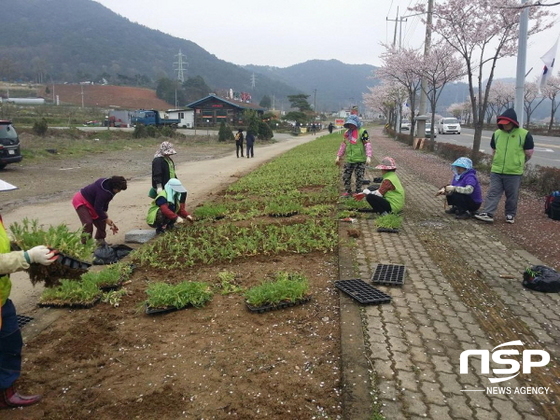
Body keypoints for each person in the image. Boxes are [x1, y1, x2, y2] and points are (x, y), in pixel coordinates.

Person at [0, 178, 57, 409]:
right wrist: (26, 257)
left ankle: (6, 391)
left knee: (10, 343)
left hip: (2, 298)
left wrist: (17, 246)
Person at [474, 108, 534, 224]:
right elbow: (494, 150)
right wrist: (496, 161)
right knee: (493, 192)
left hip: (514, 171)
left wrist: (519, 162)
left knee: (512, 195)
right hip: (497, 169)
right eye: (502, 124)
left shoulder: (524, 134)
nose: (504, 126)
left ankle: (510, 214)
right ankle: (488, 213)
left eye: (507, 124)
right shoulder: (496, 134)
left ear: (513, 122)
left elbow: (529, 153)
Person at [72, 176, 127, 246]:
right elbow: (98, 207)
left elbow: (105, 202)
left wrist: (105, 215)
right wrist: (106, 218)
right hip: (81, 199)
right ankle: (86, 245)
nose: (119, 191)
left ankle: (100, 240)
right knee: (88, 223)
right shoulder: (103, 192)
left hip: (93, 202)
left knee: (101, 220)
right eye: (119, 189)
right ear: (114, 186)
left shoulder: (110, 189)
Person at [335, 115, 372, 197]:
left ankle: (358, 191)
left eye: (353, 124)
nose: (351, 126)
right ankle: (348, 191)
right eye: (349, 124)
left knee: (359, 177)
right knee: (346, 176)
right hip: (349, 159)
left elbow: (367, 144)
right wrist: (338, 156)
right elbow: (343, 145)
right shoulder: (347, 133)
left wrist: (368, 156)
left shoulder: (362, 132)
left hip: (360, 160)